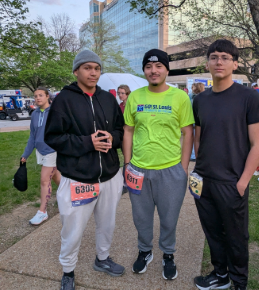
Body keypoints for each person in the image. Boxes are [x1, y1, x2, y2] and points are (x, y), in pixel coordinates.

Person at [44, 50, 125, 290]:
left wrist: (113, 136)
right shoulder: (63, 100)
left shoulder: (108, 99)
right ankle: (68, 270)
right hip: (78, 178)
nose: (93, 72)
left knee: (107, 224)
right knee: (73, 228)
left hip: (109, 175)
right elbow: (53, 137)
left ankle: (102, 259)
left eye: (97, 68)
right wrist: (87, 142)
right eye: (87, 67)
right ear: (76, 71)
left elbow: (121, 131)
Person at [193, 39, 259, 290]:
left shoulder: (249, 97)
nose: (219, 61)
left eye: (225, 57)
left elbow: (258, 144)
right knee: (212, 232)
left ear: (235, 63)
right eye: (214, 57)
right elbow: (198, 137)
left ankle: (238, 282)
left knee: (236, 236)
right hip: (204, 180)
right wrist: (198, 170)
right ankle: (220, 274)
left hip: (232, 181)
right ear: (208, 63)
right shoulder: (200, 100)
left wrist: (243, 181)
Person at [123, 49, 194, 280]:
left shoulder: (180, 97)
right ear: (144, 70)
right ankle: (145, 251)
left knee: (169, 217)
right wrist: (127, 164)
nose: (153, 71)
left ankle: (168, 254)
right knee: (141, 216)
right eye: (148, 67)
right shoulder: (135, 97)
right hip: (139, 169)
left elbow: (187, 132)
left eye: (158, 66)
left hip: (170, 170)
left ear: (166, 69)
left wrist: (183, 168)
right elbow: (128, 131)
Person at [21, 87, 61, 225]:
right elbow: (32, 136)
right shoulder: (34, 114)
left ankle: (42, 212)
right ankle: (69, 197)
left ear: (47, 96)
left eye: (40, 95)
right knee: (55, 176)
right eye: (35, 96)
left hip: (52, 150)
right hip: (41, 151)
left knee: (45, 180)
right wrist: (26, 154)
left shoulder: (55, 112)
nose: (37, 98)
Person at [189, 83, 205, 161]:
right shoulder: (198, 97)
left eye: (193, 87)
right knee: (197, 138)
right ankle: (194, 155)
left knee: (195, 137)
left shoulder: (192, 97)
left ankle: (193, 155)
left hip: (193, 119)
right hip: (197, 120)